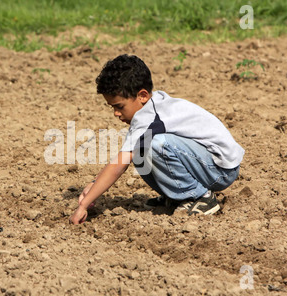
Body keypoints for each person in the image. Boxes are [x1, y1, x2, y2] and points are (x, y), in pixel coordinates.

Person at [69, 54, 244, 224]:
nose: (116, 113)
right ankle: (177, 195)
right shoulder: (149, 108)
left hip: (220, 170)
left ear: (142, 95)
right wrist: (94, 184)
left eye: (119, 106)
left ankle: (199, 197)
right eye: (112, 107)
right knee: (141, 151)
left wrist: (84, 204)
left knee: (155, 145)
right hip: (206, 164)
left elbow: (119, 165)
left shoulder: (150, 117)